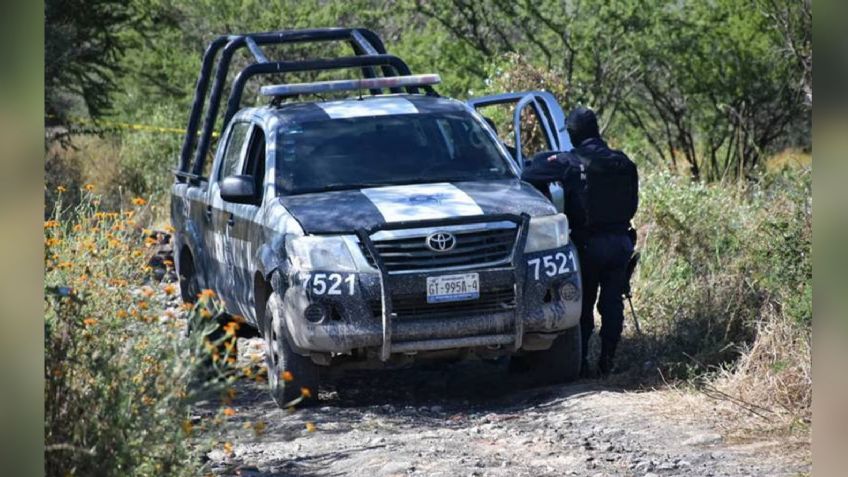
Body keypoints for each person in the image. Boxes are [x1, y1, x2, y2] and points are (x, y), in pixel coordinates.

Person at [521, 107, 638, 376]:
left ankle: (582, 363)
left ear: (572, 135)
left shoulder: (569, 162)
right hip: (621, 243)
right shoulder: (624, 162)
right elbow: (633, 204)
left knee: (583, 306)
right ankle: (607, 361)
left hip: (588, 247)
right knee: (612, 303)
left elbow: (527, 176)